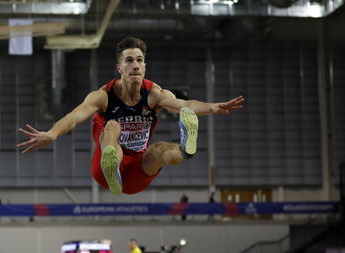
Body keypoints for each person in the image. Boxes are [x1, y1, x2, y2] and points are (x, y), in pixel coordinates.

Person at [17, 37, 244, 195]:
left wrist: (213, 107)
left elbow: (184, 105)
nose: (135, 65)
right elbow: (75, 116)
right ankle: (112, 166)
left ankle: (185, 149)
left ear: (145, 66)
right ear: (119, 68)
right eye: (129, 61)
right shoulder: (103, 96)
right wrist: (52, 133)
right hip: (104, 171)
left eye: (139, 60)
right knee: (112, 127)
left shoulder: (154, 94)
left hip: (137, 171)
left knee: (160, 150)